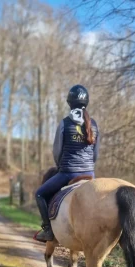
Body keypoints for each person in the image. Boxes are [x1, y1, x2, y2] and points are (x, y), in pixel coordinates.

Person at [35, 84, 100, 242]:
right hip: (89, 173)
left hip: (68, 172)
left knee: (40, 194)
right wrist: (89, 168)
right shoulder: (94, 125)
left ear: (69, 102)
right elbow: (95, 154)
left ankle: (48, 229)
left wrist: (59, 166)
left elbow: (57, 151)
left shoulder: (65, 123)